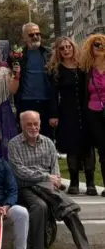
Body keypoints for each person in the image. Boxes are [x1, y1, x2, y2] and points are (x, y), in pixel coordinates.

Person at [8, 111, 102, 249]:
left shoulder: (48, 143)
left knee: (69, 211)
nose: (33, 127)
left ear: (40, 123)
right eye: (29, 124)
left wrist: (54, 180)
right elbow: (19, 171)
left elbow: (55, 169)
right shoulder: (14, 144)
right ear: (21, 125)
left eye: (36, 123)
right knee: (41, 206)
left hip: (48, 187)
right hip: (27, 187)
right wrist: (45, 177)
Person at [50, 37, 94, 195]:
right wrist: (54, 115)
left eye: (69, 47)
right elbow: (53, 95)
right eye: (62, 48)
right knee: (71, 146)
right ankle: (74, 182)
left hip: (86, 110)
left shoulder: (83, 67)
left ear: (73, 48)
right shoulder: (56, 70)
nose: (66, 50)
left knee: (87, 146)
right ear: (58, 51)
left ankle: (90, 183)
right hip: (67, 112)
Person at [15, 23, 54, 139]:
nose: (35, 37)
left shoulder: (49, 53)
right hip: (26, 102)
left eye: (38, 33)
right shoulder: (18, 55)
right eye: (31, 34)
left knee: (47, 137)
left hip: (47, 102)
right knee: (27, 137)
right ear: (24, 38)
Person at [81, 34, 105, 195]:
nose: (100, 47)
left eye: (103, 44)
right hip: (94, 113)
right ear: (91, 48)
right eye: (97, 44)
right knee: (103, 151)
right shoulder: (87, 70)